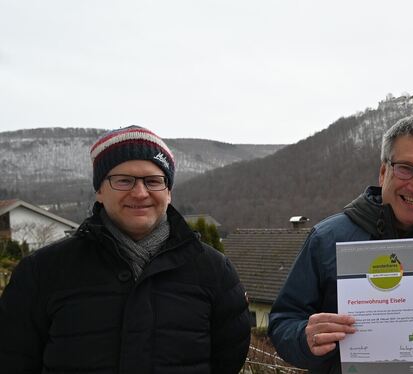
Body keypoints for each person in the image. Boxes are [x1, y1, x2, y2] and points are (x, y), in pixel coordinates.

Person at [0, 126, 251, 373]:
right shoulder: (42, 272)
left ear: (169, 192)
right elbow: (13, 358)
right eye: (123, 181)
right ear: (99, 190)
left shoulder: (214, 271)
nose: (140, 193)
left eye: (153, 181)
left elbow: (227, 360)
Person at [269, 114, 413, 374]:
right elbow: (283, 320)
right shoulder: (327, 239)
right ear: (384, 171)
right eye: (405, 168)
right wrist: (304, 339)